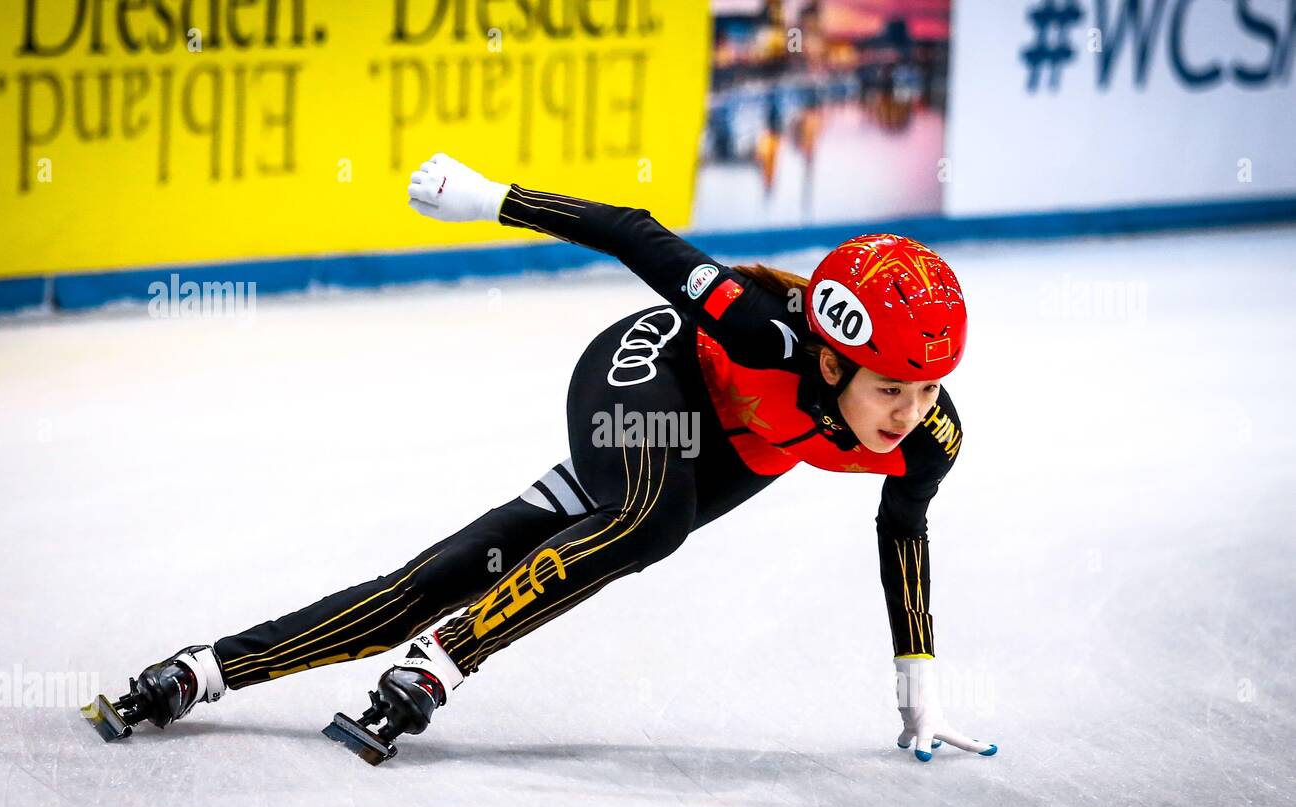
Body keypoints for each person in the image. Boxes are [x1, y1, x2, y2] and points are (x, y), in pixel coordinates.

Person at [82, 154, 996, 766]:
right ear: (832, 357)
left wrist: (917, 674)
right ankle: (442, 661)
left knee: (440, 575)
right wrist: (490, 199)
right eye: (889, 391)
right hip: (646, 372)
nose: (908, 416)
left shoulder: (929, 432)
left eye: (924, 393)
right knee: (650, 520)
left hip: (729, 451)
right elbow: (636, 232)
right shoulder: (759, 334)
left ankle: (201, 670)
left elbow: (904, 527)